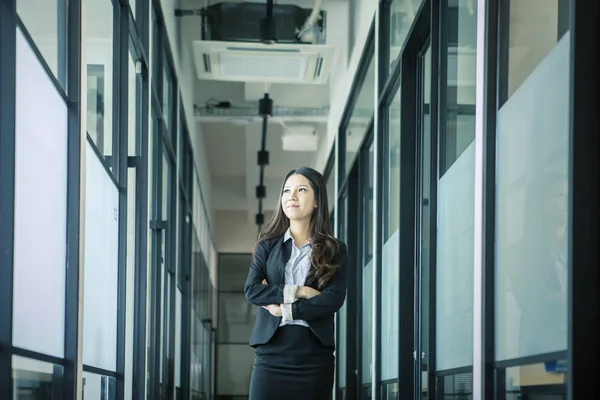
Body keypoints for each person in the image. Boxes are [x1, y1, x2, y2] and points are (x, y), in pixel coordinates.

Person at [244, 166, 348, 400]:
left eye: (301, 190)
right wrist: (300, 291)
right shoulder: (267, 246)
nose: (291, 196)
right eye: (287, 191)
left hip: (313, 354)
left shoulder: (335, 250)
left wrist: (285, 310)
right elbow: (252, 290)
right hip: (270, 353)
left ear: (317, 200)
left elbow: (333, 299)